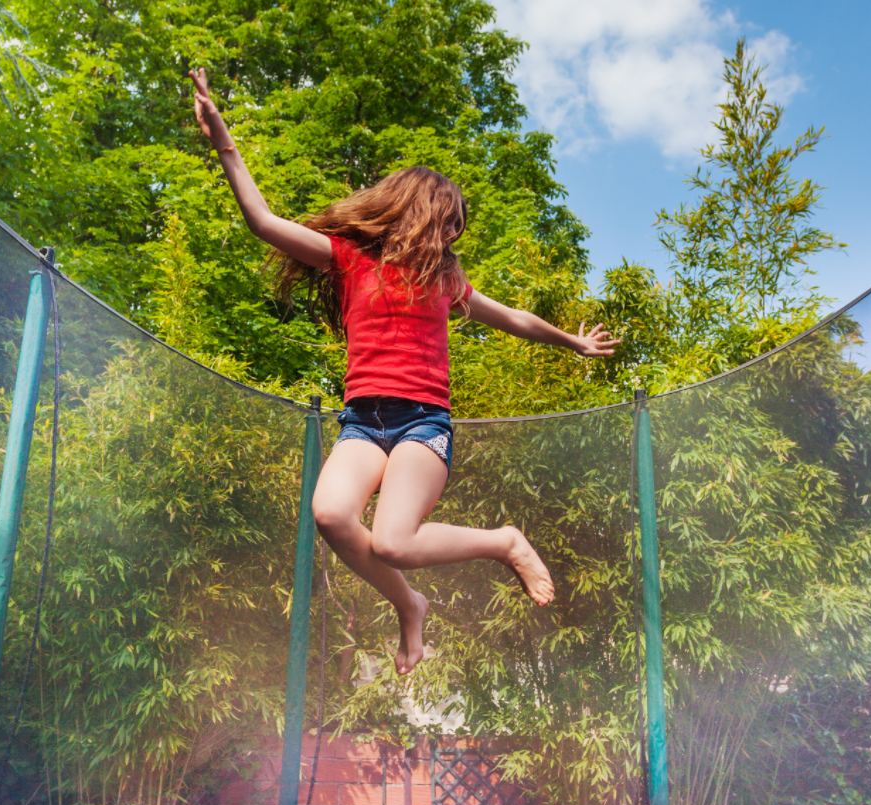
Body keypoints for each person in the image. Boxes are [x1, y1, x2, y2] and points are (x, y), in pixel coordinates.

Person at [189, 68, 616, 675]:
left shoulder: (446, 282)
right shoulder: (349, 259)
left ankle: (504, 541)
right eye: (446, 223)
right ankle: (409, 605)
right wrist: (225, 144)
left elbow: (514, 317)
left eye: (455, 230)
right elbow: (263, 221)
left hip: (422, 422)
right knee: (332, 515)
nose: (451, 236)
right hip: (362, 421)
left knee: (393, 540)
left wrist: (570, 342)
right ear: (415, 211)